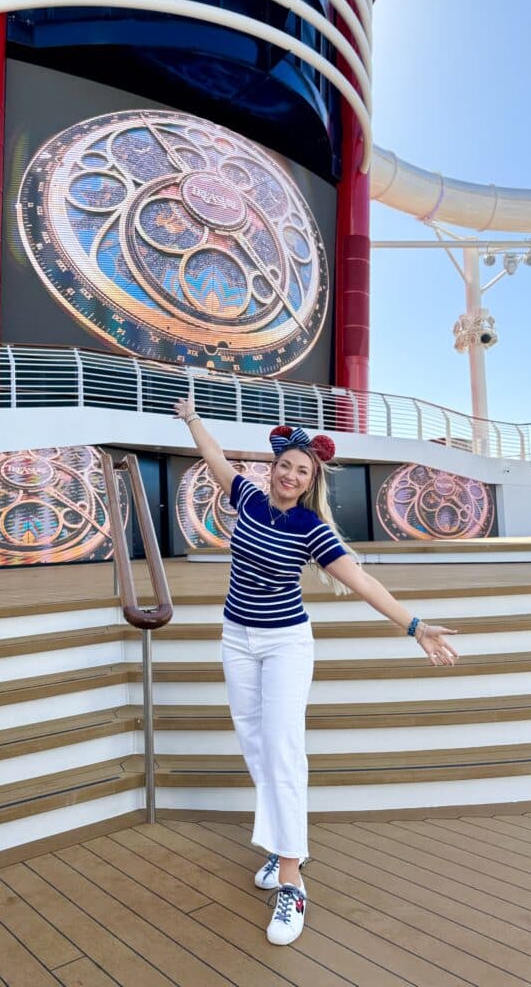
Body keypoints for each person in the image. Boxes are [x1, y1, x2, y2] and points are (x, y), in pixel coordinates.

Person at [173, 397, 459, 946]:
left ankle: (291, 878)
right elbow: (214, 459)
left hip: (285, 644)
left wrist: (416, 626)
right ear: (273, 468)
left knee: (282, 749)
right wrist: (192, 418)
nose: (290, 475)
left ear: (311, 481)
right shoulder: (247, 497)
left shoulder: (313, 529)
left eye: (302, 470)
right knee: (256, 746)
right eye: (285, 465)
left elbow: (364, 581)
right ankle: (286, 842)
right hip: (237, 639)